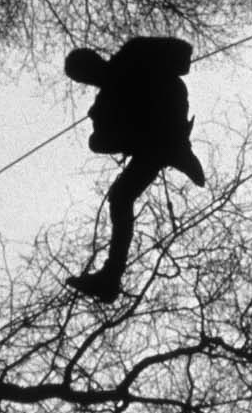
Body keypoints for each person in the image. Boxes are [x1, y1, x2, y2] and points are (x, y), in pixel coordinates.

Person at [62, 36, 204, 301]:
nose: (89, 81)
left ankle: (178, 149)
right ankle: (109, 279)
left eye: (85, 75)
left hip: (163, 129)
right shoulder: (106, 98)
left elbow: (182, 54)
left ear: (94, 63)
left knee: (120, 196)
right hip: (153, 145)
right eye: (83, 80)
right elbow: (100, 139)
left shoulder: (131, 57)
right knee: (119, 195)